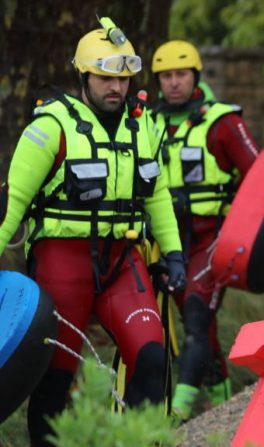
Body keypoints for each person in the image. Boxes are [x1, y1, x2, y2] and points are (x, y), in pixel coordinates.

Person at [0, 18, 185, 446]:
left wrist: (173, 255)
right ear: (83, 75)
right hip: (63, 262)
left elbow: (157, 194)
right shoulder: (49, 127)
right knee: (55, 379)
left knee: (151, 356)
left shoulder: (146, 127)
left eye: (122, 78)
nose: (115, 87)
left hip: (123, 260)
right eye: (104, 77)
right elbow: (11, 207)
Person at [149, 40, 260, 420]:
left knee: (196, 316)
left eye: (181, 75)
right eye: (166, 76)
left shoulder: (224, 122)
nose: (174, 83)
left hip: (212, 238)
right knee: (201, 329)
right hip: (167, 240)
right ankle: (223, 405)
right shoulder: (147, 123)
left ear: (195, 76)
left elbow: (261, 179)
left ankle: (177, 415)